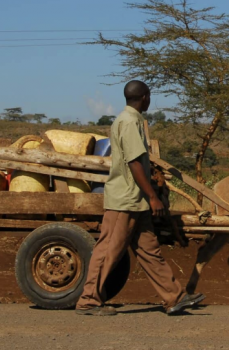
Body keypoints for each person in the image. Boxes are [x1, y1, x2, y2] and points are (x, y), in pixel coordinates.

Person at [76, 80, 204, 316]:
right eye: (150, 96)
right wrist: (153, 196)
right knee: (108, 251)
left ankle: (174, 298)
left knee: (149, 251)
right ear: (144, 97)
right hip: (125, 200)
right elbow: (134, 162)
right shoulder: (129, 122)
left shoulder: (131, 120)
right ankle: (88, 301)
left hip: (136, 201)